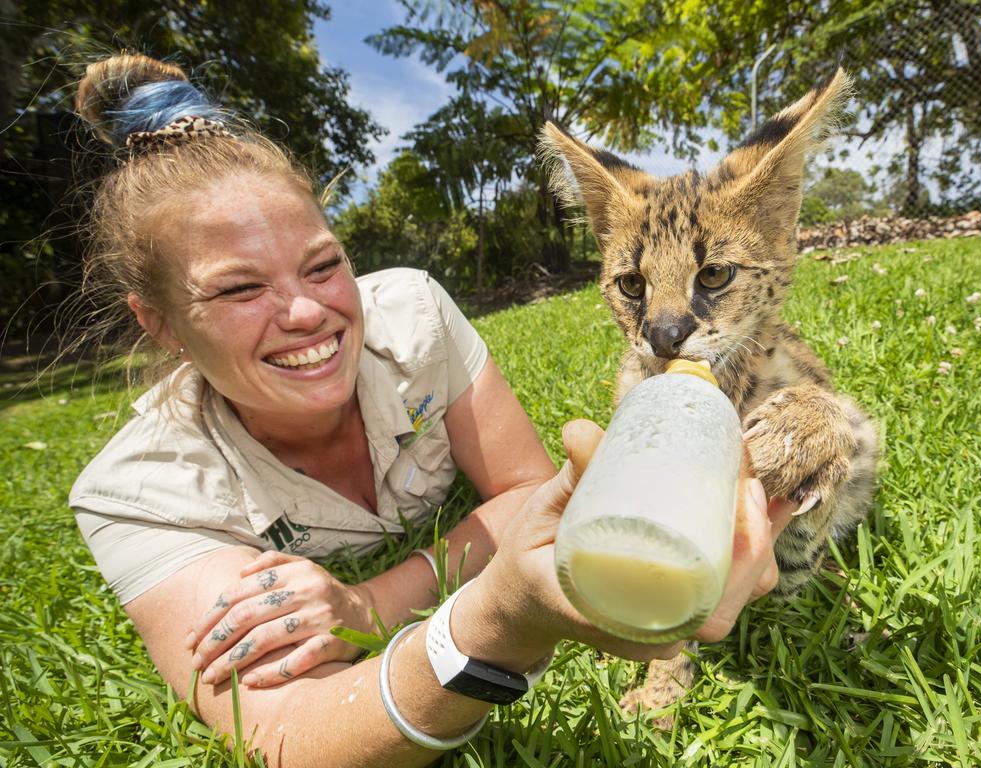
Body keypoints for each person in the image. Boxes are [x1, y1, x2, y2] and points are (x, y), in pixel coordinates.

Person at [68, 53, 795, 767]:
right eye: (238, 290)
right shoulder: (138, 492)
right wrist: (500, 614)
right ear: (158, 322)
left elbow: (523, 492)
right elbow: (289, 735)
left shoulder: (413, 312)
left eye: (323, 266)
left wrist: (372, 604)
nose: (304, 314)